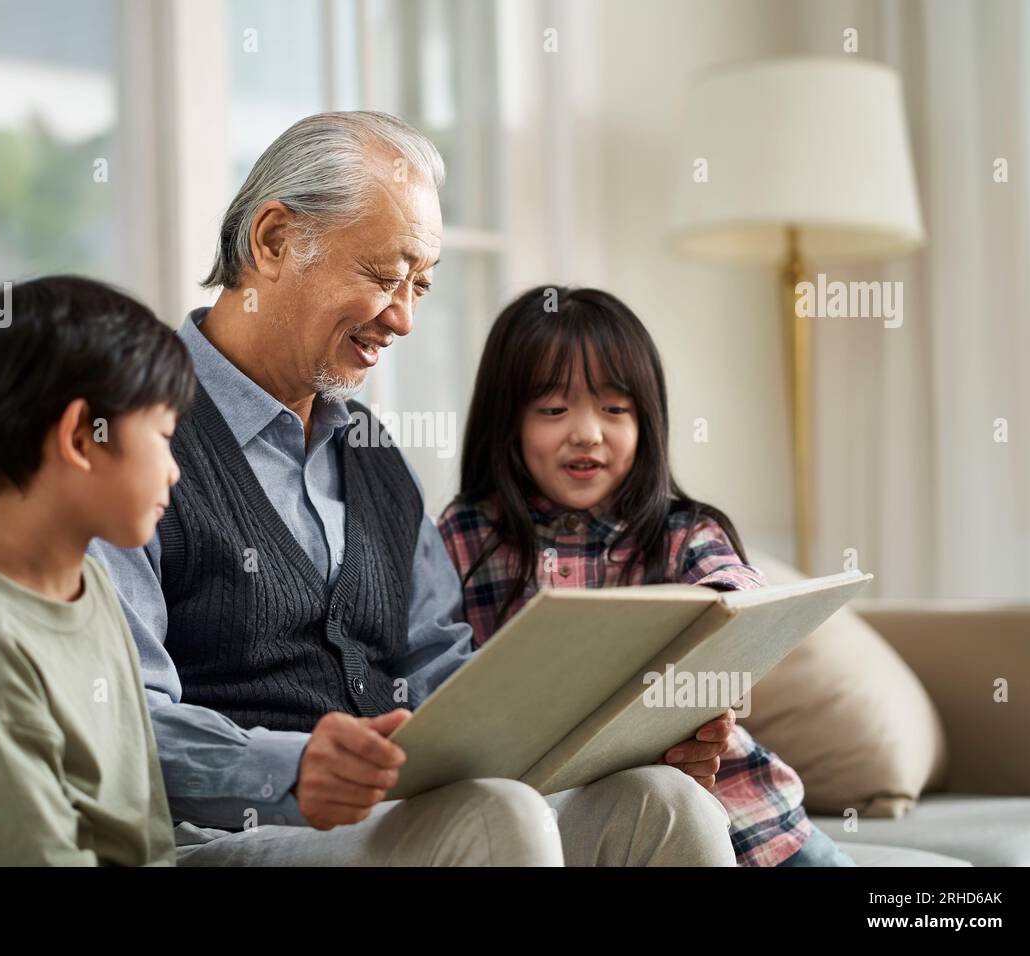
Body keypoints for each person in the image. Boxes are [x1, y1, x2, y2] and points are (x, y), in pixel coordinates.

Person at [90, 111, 739, 866]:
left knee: (662, 805)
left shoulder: (371, 453)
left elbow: (439, 670)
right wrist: (291, 768)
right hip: (224, 836)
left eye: (421, 286)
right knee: (497, 819)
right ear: (273, 241)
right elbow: (119, 714)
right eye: (383, 276)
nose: (402, 318)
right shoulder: (129, 438)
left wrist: (618, 735)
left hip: (398, 818)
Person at [436, 285, 856, 866]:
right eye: (554, 410)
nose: (587, 432)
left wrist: (715, 626)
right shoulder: (465, 537)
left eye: (615, 409)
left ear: (646, 419)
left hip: (750, 817)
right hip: (585, 826)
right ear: (507, 423)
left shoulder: (681, 530)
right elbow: (436, 675)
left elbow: (740, 598)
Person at [0, 276, 194, 865]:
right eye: (165, 436)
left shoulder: (91, 587)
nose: (174, 471)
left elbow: (142, 831)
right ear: (80, 437)